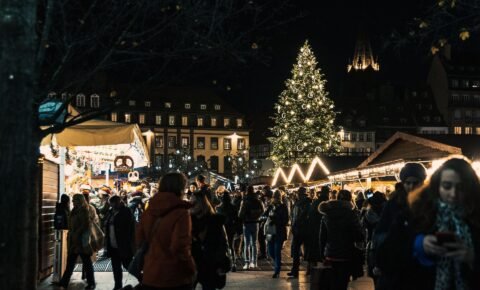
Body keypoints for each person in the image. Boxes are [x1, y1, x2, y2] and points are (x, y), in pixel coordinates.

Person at [376, 157, 480, 290]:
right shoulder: (414, 215)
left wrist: (472, 257)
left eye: (461, 187)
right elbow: (384, 258)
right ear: (437, 186)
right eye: (447, 186)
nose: (453, 194)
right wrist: (417, 245)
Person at [136, 172, 195, 290]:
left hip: (150, 273)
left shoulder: (150, 209)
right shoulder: (181, 213)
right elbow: (180, 246)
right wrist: (191, 269)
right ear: (180, 188)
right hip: (174, 276)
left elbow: (138, 240)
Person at [373, 162, 427, 289]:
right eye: (408, 183)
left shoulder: (428, 203)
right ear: (403, 183)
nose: (411, 186)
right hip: (396, 261)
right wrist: (379, 261)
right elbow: (381, 233)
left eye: (415, 182)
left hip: (420, 262)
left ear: (422, 182)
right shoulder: (393, 204)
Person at [318, 190, 365, 290]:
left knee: (332, 283)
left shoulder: (326, 214)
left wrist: (322, 253)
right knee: (342, 284)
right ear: (350, 200)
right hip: (346, 255)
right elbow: (359, 235)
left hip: (330, 254)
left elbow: (322, 237)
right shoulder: (351, 214)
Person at [190, 190, 231, 290]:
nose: (191, 205)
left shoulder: (215, 221)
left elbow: (223, 243)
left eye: (194, 203)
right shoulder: (188, 221)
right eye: (190, 203)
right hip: (193, 264)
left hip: (210, 264)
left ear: (202, 203)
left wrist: (221, 263)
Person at [55, 194, 96, 289]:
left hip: (81, 242)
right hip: (73, 241)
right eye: (72, 200)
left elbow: (85, 224)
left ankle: (91, 283)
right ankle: (64, 282)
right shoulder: (74, 210)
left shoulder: (84, 210)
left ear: (79, 200)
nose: (72, 202)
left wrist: (77, 233)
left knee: (86, 263)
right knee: (70, 263)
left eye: (74, 200)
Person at [104, 195, 135, 290]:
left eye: (113, 203)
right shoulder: (110, 212)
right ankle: (118, 286)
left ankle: (143, 280)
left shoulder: (126, 211)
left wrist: (129, 242)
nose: (112, 205)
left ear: (119, 202)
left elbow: (130, 228)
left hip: (123, 244)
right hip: (113, 245)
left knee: (129, 265)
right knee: (116, 268)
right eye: (111, 203)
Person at [238, 185, 264, 269]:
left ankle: (247, 263)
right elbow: (263, 210)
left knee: (247, 244)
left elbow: (240, 214)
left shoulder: (244, 201)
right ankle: (254, 262)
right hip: (255, 223)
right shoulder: (258, 200)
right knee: (254, 243)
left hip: (246, 223)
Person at [287, 187, 311, 278]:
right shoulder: (299, 203)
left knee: (302, 250)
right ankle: (295, 270)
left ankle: (302, 270)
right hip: (298, 229)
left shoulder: (306, 204)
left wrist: (296, 224)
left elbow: (301, 217)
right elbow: (294, 216)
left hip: (302, 230)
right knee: (297, 250)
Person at [305, 186, 330, 274]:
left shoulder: (315, 202)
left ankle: (310, 268)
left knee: (312, 250)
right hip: (321, 229)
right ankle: (321, 272)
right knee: (322, 250)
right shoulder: (327, 203)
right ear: (327, 193)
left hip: (312, 229)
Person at [265, 190, 289, 278]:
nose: (275, 199)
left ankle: (277, 270)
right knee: (270, 251)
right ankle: (277, 263)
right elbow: (265, 214)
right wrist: (264, 218)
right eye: (274, 197)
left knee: (277, 251)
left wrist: (275, 220)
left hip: (279, 232)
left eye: (277, 197)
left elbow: (285, 220)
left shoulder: (283, 207)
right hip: (271, 232)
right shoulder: (271, 206)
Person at [216, 191, 239, 272]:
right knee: (231, 246)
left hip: (222, 229)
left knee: (222, 246)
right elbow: (236, 219)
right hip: (230, 228)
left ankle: (224, 264)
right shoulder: (233, 207)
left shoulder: (218, 208)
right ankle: (234, 263)